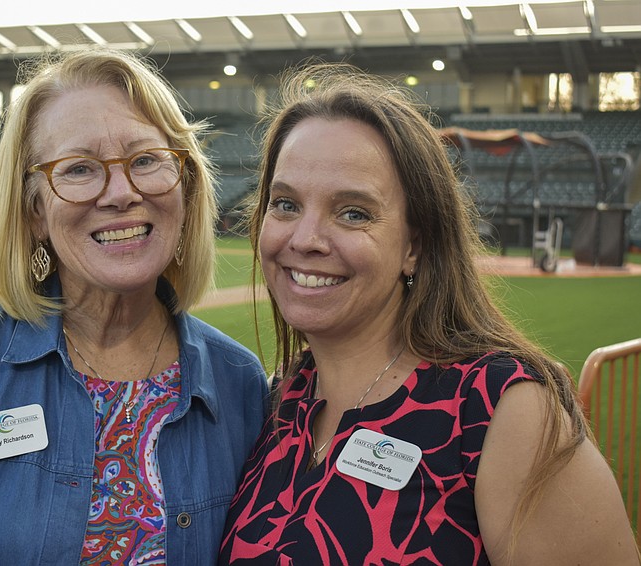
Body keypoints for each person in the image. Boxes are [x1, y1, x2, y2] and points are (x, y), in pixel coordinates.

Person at [0, 46, 268, 565]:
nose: (121, 193)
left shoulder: (239, 381)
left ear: (186, 187)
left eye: (146, 160)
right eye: (80, 169)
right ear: (35, 210)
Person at [219, 63, 640, 565]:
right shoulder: (277, 400)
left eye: (353, 212)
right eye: (285, 204)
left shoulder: (501, 412)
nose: (305, 239)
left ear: (413, 246)